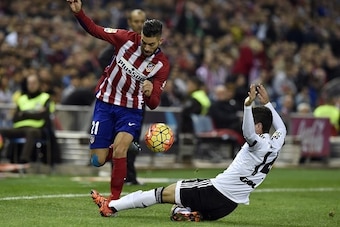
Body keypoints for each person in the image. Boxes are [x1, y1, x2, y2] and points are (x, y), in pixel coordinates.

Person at [90, 84, 287, 221]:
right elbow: (282, 129)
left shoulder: (258, 143)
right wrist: (268, 103)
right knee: (178, 204)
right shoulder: (276, 143)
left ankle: (111, 206)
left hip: (215, 192)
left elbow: (248, 132)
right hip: (228, 206)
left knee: (161, 194)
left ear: (259, 126)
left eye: (254, 121)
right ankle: (188, 213)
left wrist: (247, 106)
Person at [66, 0, 170, 201]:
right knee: (97, 160)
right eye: (144, 42)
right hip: (105, 102)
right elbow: (95, 30)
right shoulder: (124, 38)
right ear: (140, 36)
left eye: (152, 44)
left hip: (130, 110)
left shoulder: (161, 65)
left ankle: (113, 201)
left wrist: (150, 93)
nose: (147, 48)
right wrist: (79, 13)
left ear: (160, 41)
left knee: (121, 149)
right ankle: (116, 148)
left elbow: (154, 103)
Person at [97, 9, 147, 186]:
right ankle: (120, 176)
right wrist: (115, 77)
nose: (139, 25)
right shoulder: (123, 40)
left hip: (137, 101)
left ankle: (130, 176)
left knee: (132, 141)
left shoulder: (149, 44)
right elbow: (103, 58)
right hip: (116, 100)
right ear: (130, 22)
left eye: (142, 21)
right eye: (136, 21)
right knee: (117, 140)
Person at [0, 74, 60, 165]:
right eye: (29, 83)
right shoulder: (22, 99)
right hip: (20, 128)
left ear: (39, 84)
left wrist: (24, 114)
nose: (31, 85)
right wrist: (35, 113)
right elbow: (16, 117)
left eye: (34, 83)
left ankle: (23, 161)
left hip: (37, 129)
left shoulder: (45, 98)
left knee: (31, 132)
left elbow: (44, 115)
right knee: (1, 131)